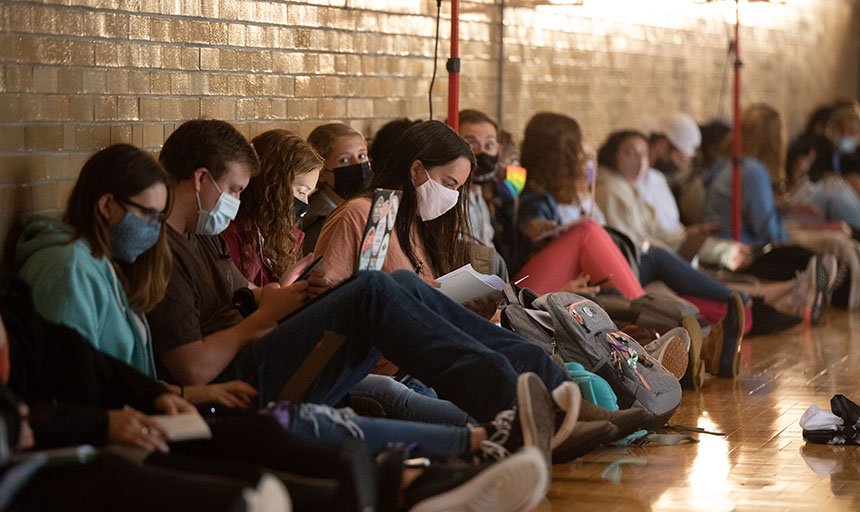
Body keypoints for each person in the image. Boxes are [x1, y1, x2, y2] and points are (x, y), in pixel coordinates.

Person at [147, 118, 616, 468]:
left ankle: (551, 388)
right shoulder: (163, 250)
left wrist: (269, 296)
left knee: (400, 284)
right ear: (200, 178)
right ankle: (520, 404)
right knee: (374, 290)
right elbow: (193, 366)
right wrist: (263, 316)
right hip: (236, 391)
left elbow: (238, 300)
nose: (234, 201)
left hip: (264, 348)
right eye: (232, 189)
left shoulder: (204, 238)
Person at [0, 269, 550, 512]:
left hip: (166, 403)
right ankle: (464, 452)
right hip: (117, 423)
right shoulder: (91, 266)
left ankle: (531, 398)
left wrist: (163, 393)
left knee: (392, 293)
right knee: (375, 306)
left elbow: (79, 358)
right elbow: (188, 364)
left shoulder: (18, 310)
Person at [223, 129, 322, 287]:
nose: (305, 203)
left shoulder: (286, 235)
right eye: (301, 192)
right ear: (273, 185)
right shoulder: (231, 235)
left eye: (309, 194)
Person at [303, 123, 372, 254]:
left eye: (362, 156)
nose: (358, 165)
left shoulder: (372, 205)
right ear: (321, 171)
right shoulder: (317, 222)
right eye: (344, 160)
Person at [639, 112, 701, 233]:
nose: (679, 167)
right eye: (679, 159)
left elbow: (671, 226)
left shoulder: (658, 178)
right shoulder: (634, 181)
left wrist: (690, 232)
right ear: (662, 146)